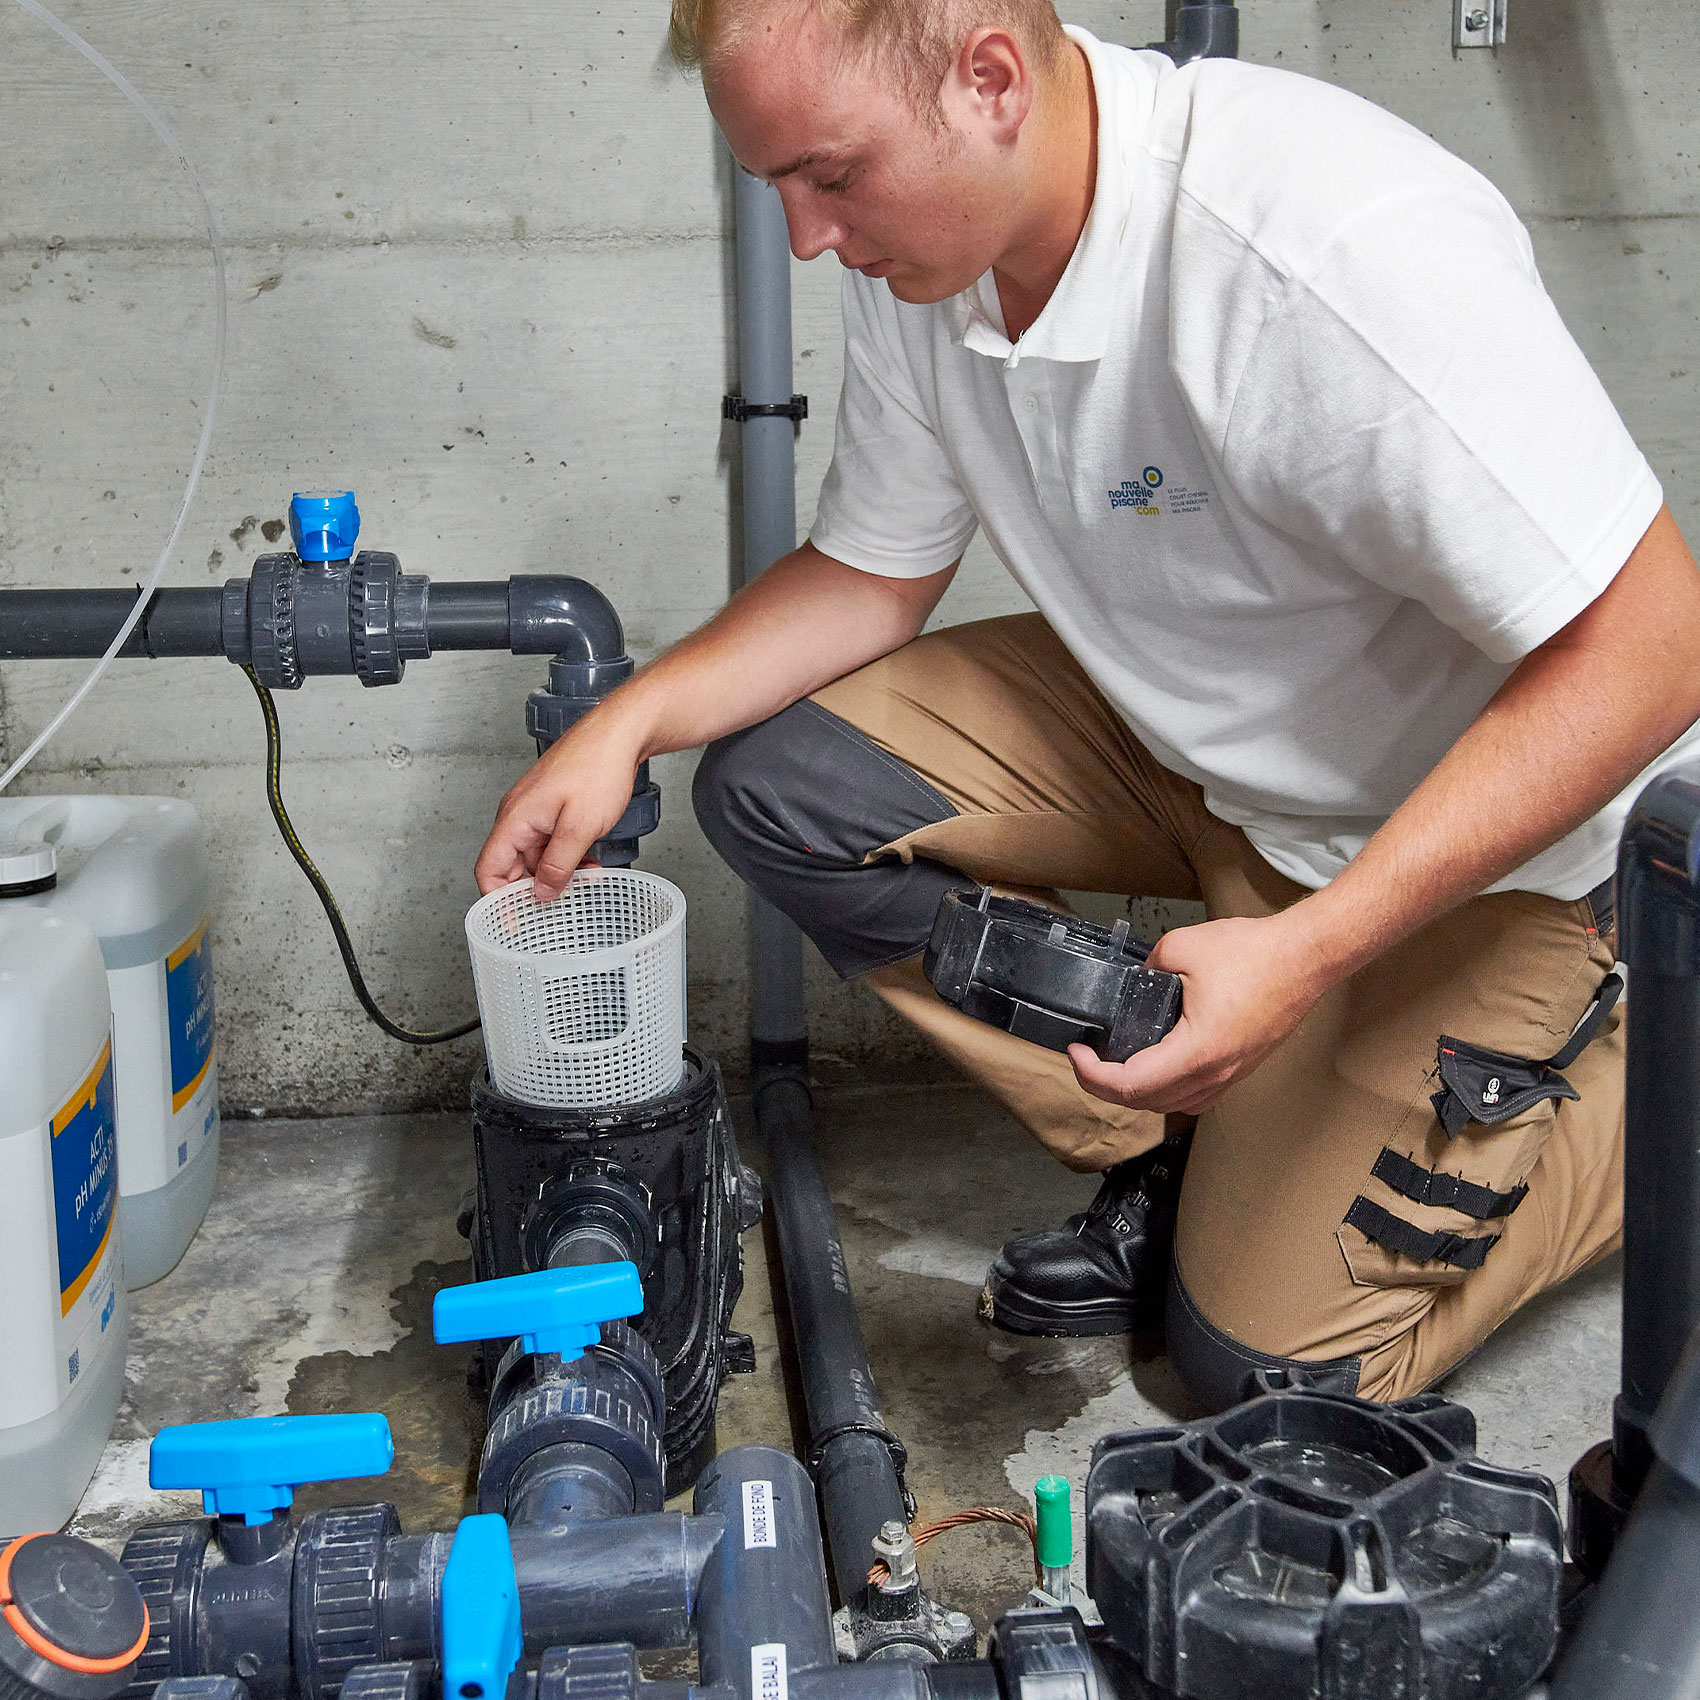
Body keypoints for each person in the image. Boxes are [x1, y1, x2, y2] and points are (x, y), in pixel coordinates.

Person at [476, 0, 1700, 1410]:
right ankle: (1164, 1148)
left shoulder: (1325, 253)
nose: (810, 238)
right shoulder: (930, 260)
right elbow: (875, 573)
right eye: (777, 189)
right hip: (1211, 747)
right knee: (775, 783)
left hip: (1474, 843)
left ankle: (1650, 1069)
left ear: (990, 78)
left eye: (830, 175)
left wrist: (1306, 952)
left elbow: (1657, 651)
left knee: (1270, 1370)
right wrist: (626, 719)